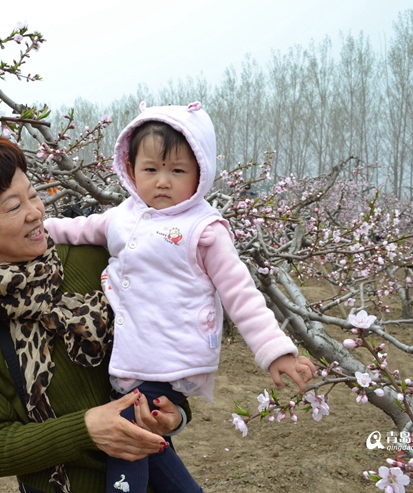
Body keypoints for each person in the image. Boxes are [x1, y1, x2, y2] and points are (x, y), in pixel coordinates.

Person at [44, 103, 317, 493]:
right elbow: (78, 229)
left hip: (171, 359)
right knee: (155, 450)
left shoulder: (203, 229)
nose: (163, 182)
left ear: (200, 175)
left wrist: (275, 350)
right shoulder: (123, 215)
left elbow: (240, 292)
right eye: (151, 169)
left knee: (130, 442)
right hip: (131, 359)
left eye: (177, 171)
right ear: (131, 169)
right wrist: (36, 228)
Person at [0, 127, 187, 493]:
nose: (35, 213)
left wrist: (174, 413)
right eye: (13, 206)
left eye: (33, 195)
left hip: (151, 478)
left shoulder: (96, 260)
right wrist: (85, 430)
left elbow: (165, 345)